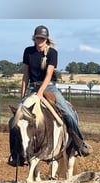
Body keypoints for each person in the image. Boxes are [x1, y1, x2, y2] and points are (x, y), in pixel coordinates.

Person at [8, 25, 93, 166]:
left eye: (42, 38)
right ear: (34, 38)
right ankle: (16, 155)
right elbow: (25, 75)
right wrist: (22, 96)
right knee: (13, 121)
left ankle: (80, 143)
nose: (40, 40)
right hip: (32, 87)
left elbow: (48, 75)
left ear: (46, 39)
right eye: (38, 38)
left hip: (50, 87)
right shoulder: (28, 51)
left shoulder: (52, 53)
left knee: (68, 113)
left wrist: (41, 92)